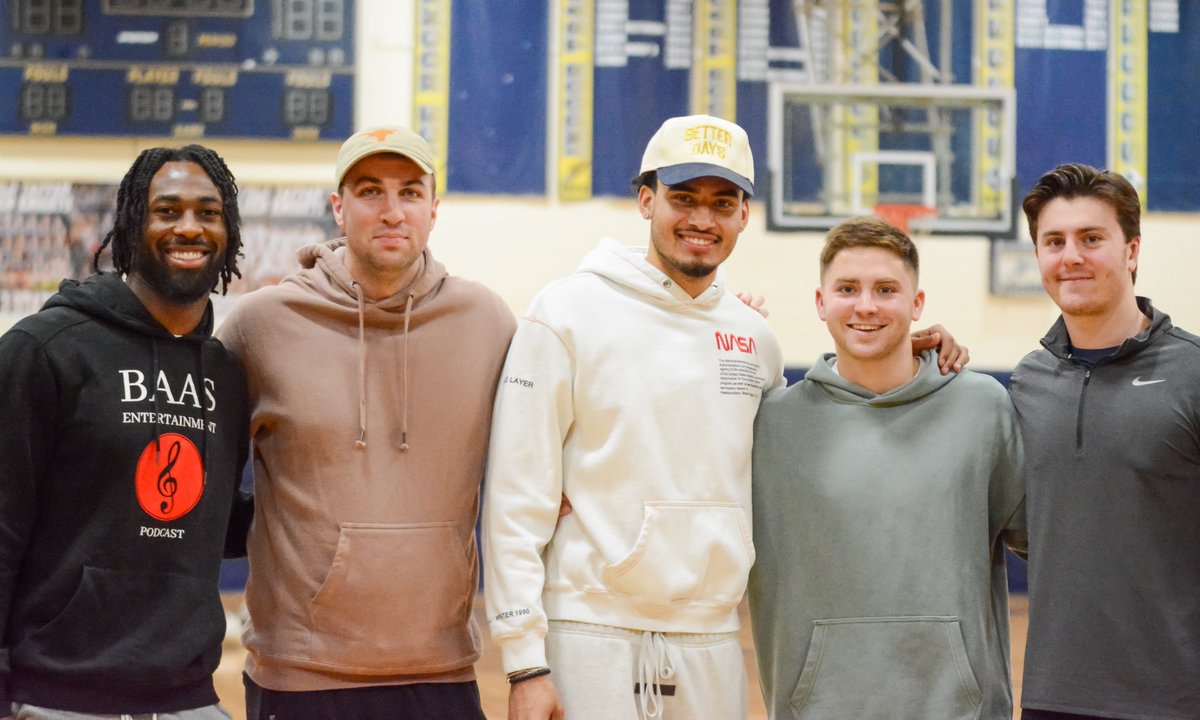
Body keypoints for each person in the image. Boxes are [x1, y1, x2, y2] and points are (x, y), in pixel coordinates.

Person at [482, 115, 969, 720]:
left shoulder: (752, 335)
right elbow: (515, 497)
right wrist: (525, 661)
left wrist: (906, 354)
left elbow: (801, 437)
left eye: (722, 202)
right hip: (589, 629)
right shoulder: (566, 312)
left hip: (712, 640)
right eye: (682, 198)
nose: (701, 220)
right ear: (646, 200)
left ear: (743, 215)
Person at [216, 124, 516, 718]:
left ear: (434, 208)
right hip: (299, 676)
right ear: (339, 207)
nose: (391, 211)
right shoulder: (261, 325)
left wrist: (710, 312)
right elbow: (196, 458)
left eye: (409, 192)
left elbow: (556, 430)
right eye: (370, 191)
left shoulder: (487, 321)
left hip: (441, 670)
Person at [0, 145, 250, 718]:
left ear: (228, 232)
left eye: (208, 213)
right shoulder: (45, 350)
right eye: (168, 210)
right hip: (55, 696)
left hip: (189, 697)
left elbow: (209, 516)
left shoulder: (227, 375)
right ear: (132, 224)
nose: (189, 227)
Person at [748, 216, 1025, 720]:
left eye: (887, 289)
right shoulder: (769, 424)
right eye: (848, 289)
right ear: (820, 302)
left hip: (960, 710)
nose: (867, 305)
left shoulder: (984, 408)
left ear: (917, 304)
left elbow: (1048, 540)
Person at [1010, 164, 1200, 720]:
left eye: (1092, 239)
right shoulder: (1027, 381)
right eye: (1054, 241)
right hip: (1052, 695)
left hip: (1175, 699)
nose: (1071, 256)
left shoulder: (1192, 371)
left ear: (1132, 250)